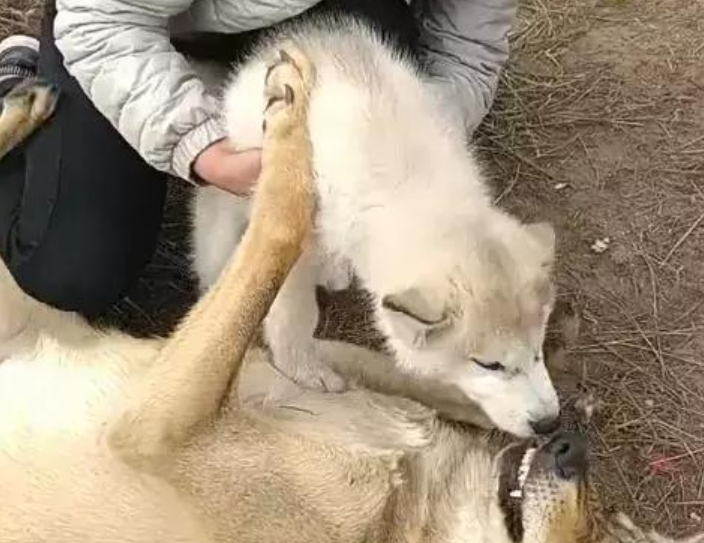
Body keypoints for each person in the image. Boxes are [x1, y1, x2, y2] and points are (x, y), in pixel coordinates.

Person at [0, 0, 516, 318]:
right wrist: (204, 148)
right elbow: (104, 20)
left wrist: (415, 136)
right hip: (125, 26)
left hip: (317, 12)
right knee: (72, 269)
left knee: (392, 58)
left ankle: (229, 86)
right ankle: (18, 75)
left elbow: (466, 52)